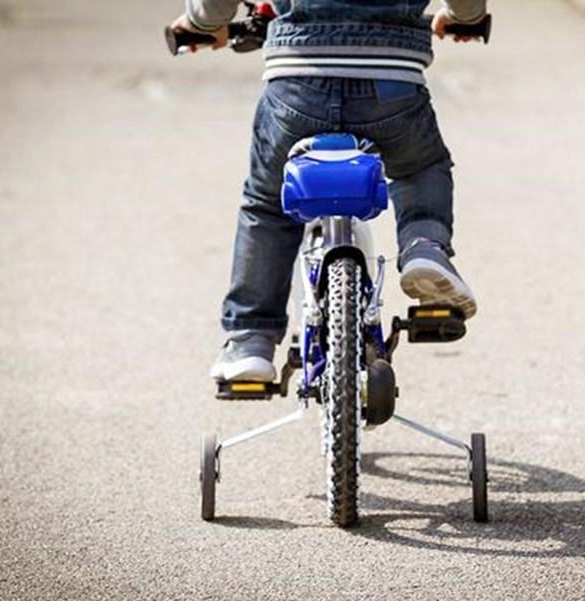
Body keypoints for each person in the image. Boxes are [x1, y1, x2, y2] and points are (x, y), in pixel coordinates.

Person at [171, 0, 485, 382]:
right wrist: (463, 17)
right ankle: (424, 247)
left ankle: (250, 340)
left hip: (298, 83)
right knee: (421, 168)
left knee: (268, 203)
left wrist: (202, 22)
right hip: (391, 85)